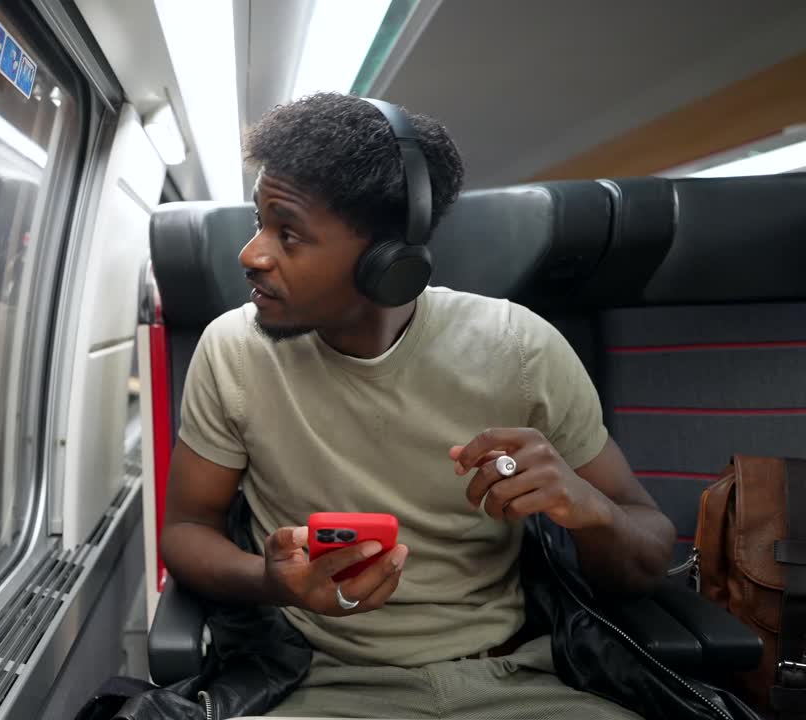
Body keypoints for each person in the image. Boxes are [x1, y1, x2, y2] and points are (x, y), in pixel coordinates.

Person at [159, 92, 676, 719]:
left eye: (287, 234)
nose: (252, 254)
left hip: (514, 680)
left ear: (388, 264)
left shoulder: (520, 348)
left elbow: (648, 552)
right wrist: (269, 583)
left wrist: (587, 508)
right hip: (317, 686)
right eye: (258, 222)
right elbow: (187, 530)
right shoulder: (233, 350)